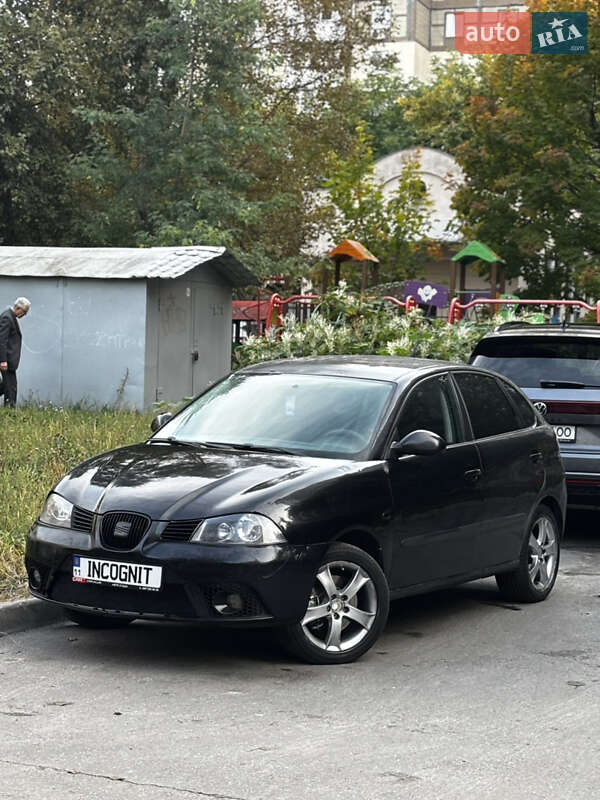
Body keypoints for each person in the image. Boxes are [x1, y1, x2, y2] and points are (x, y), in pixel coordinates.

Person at [0, 297, 31, 408]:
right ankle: (9, 412)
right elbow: (1, 341)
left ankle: (10, 410)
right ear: (18, 308)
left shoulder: (10, 317)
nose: (24, 315)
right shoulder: (7, 318)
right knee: (10, 388)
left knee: (8, 386)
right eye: (24, 312)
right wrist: (3, 360)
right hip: (6, 361)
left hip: (9, 361)